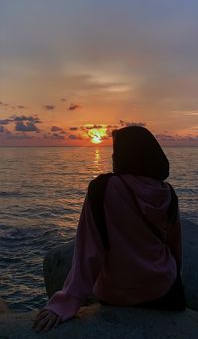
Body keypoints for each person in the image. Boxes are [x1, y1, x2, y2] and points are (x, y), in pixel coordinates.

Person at [33, 126, 186, 332]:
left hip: (119, 293)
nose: (113, 157)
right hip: (162, 291)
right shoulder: (167, 192)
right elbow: (175, 248)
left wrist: (66, 302)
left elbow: (88, 251)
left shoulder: (103, 188)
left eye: (116, 152)